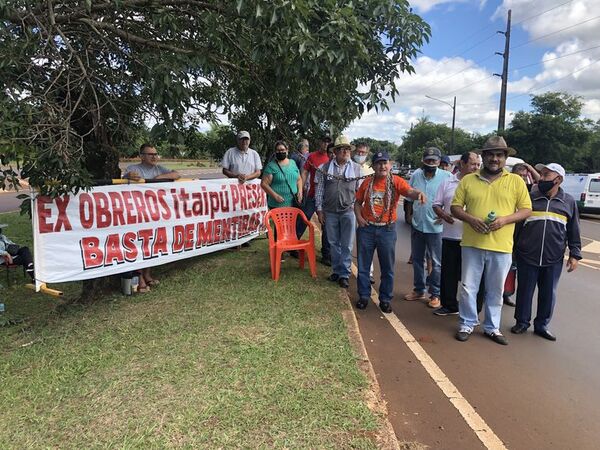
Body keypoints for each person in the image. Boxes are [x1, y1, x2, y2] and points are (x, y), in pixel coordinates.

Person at [451, 136, 532, 345]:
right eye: (490, 155)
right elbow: (455, 207)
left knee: (495, 289)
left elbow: (526, 209)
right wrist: (470, 219)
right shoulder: (468, 180)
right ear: (483, 157)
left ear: (505, 158)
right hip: (472, 243)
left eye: (499, 155)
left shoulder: (515, 181)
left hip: (501, 245)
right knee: (469, 286)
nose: (494, 159)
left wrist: (505, 220)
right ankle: (467, 323)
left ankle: (492, 327)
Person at [511, 163, 581, 341]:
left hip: (553, 257)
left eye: (546, 175)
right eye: (541, 174)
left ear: (558, 179)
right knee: (525, 290)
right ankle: (522, 322)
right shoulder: (529, 197)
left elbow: (574, 230)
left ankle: (542, 325)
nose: (541, 178)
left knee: (549, 293)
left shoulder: (569, 202)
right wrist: (513, 249)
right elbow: (517, 226)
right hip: (527, 254)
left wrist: (575, 254)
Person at [354, 152, 425, 313]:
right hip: (367, 228)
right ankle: (364, 296)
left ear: (390, 165)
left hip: (387, 229)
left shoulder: (396, 182)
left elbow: (409, 192)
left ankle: (385, 299)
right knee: (363, 265)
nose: (382, 166)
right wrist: (359, 218)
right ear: (373, 166)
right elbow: (357, 203)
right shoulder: (366, 183)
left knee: (387, 267)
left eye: (385, 163)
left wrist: (418, 194)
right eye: (378, 163)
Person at [124, 144, 180, 291]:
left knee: (152, 244)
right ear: (142, 156)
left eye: (156, 154)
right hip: (139, 214)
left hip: (155, 213)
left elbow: (176, 174)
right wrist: (129, 177)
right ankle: (140, 277)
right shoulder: (133, 168)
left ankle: (147, 274)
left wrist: (160, 177)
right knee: (139, 245)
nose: (154, 157)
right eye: (150, 154)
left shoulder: (159, 168)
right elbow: (128, 177)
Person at [432, 151, 482, 316]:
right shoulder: (448, 182)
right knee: (449, 273)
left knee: (471, 277)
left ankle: (471, 309)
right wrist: (443, 215)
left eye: (478, 164)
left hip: (473, 239)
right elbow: (436, 204)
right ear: (462, 163)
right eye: (473, 164)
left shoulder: (481, 183)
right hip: (450, 236)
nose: (476, 167)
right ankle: (449, 305)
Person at [404, 147, 451, 309]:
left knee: (436, 262)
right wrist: (409, 215)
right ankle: (419, 290)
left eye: (434, 160)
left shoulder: (447, 177)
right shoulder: (416, 175)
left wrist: (445, 214)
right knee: (417, 260)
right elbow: (409, 195)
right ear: (423, 160)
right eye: (428, 160)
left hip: (436, 228)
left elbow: (455, 198)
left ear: (439, 162)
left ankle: (435, 294)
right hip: (418, 224)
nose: (431, 163)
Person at [315, 136, 361, 288]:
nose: (345, 152)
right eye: (341, 149)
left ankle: (344, 274)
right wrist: (319, 210)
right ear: (335, 151)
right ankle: (336, 270)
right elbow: (320, 189)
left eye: (347, 149)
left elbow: (359, 191)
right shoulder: (324, 167)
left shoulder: (356, 168)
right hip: (330, 211)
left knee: (347, 244)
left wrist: (355, 207)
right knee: (333, 243)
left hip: (348, 211)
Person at [297, 135, 332, 265]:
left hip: (328, 199)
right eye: (324, 141)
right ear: (319, 142)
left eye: (328, 142)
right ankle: (294, 242)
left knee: (327, 225)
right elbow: (305, 172)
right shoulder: (312, 156)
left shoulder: (332, 157)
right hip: (312, 194)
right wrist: (301, 189)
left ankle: (326, 254)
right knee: (303, 219)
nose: (325, 144)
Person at [352, 143, 375, 284]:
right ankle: (347, 267)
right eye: (358, 152)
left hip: (365, 210)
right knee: (348, 241)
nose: (360, 154)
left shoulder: (371, 170)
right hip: (349, 207)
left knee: (366, 243)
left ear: (367, 154)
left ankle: (368, 272)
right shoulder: (350, 167)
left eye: (363, 152)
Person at [261, 141, 302, 209]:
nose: (280, 152)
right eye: (278, 150)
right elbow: (264, 184)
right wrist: (275, 196)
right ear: (275, 152)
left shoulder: (293, 163)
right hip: (277, 205)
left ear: (287, 150)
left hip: (293, 204)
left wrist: (300, 191)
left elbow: (299, 179)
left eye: (282, 150)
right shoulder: (271, 166)